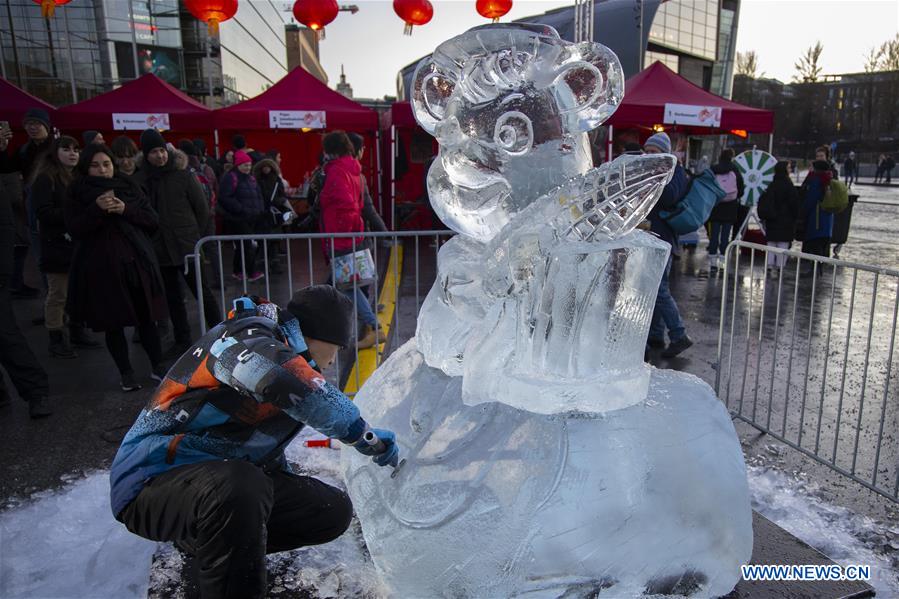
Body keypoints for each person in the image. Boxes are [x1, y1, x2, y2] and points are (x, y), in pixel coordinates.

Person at [109, 286, 399, 599]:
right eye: (338, 347)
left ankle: (206, 539)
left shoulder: (290, 359)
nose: (334, 360)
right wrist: (362, 434)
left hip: (212, 485)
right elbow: (282, 381)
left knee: (331, 510)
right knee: (241, 485)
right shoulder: (245, 340)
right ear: (319, 335)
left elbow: (261, 448)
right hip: (150, 483)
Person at [65, 144, 168, 391]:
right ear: (86, 167)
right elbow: (74, 229)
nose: (102, 170)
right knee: (113, 323)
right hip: (101, 269)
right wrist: (96, 210)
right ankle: (126, 373)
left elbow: (152, 220)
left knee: (147, 319)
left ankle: (158, 366)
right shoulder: (76, 192)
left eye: (106, 164)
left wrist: (125, 209)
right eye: (95, 165)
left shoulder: (129, 186)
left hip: (136, 263)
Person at [137, 129, 222, 352]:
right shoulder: (142, 179)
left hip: (187, 245)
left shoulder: (183, 175)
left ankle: (222, 334)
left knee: (202, 293)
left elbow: (201, 208)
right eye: (154, 152)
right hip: (160, 247)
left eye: (162, 151)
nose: (160, 156)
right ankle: (182, 338)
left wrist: (194, 235)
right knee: (173, 299)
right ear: (146, 155)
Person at [30, 135, 100, 358]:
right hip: (56, 245)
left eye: (76, 149)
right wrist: (74, 216)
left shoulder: (77, 177)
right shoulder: (46, 178)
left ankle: (77, 331)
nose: (72, 153)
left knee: (77, 292)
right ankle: (56, 338)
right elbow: (43, 212)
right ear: (55, 152)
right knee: (58, 294)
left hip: (77, 245)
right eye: (66, 149)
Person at [317, 132, 384, 349]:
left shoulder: (337, 170)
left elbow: (343, 204)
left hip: (341, 236)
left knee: (348, 286)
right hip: (351, 234)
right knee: (346, 285)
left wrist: (323, 199)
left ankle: (374, 327)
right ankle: (367, 327)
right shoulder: (353, 169)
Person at [642, 132, 693, 358]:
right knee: (655, 289)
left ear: (664, 152)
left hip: (663, 239)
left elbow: (671, 197)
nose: (648, 155)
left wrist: (656, 176)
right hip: (652, 236)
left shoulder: (674, 171)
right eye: (647, 151)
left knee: (659, 289)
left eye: (653, 152)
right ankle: (656, 334)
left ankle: (679, 334)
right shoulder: (658, 170)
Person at [0, 107, 55, 299]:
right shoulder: (24, 150)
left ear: (46, 125)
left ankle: (69, 312)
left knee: (62, 260)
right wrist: (2, 148)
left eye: (36, 123)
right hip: (33, 211)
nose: (32, 127)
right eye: (28, 124)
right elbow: (5, 168)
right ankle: (52, 310)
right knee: (41, 260)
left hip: (56, 209)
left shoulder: (57, 148)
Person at [217, 149, 265, 281]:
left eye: (249, 165)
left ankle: (237, 270)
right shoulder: (231, 177)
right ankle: (251, 272)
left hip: (250, 217)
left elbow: (258, 195)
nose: (248, 168)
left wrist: (260, 209)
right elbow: (225, 197)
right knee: (247, 245)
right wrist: (241, 209)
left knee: (242, 246)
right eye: (245, 165)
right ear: (238, 165)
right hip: (237, 218)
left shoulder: (251, 178)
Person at [757, 161, 798, 276]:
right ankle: (780, 267)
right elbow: (794, 205)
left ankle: (769, 266)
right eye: (789, 168)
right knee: (782, 244)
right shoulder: (789, 186)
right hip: (786, 221)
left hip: (772, 220)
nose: (790, 170)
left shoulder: (771, 185)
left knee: (771, 243)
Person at [706, 148, 745, 271]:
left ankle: (712, 263)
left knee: (714, 235)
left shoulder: (713, 169)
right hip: (730, 208)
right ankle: (723, 262)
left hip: (715, 207)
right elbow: (741, 189)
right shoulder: (735, 169)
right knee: (725, 236)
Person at [253, 157, 292, 274]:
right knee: (263, 241)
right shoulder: (256, 180)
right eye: (264, 167)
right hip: (263, 214)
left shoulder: (276, 181)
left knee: (274, 240)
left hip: (273, 214)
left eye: (268, 167)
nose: (266, 169)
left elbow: (282, 195)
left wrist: (277, 201)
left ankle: (273, 264)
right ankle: (263, 263)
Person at [798, 146, 836, 261]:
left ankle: (814, 267)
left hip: (818, 214)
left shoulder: (822, 175)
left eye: (821, 156)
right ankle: (817, 265)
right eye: (817, 156)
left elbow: (810, 195)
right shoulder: (815, 173)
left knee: (815, 241)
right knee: (820, 241)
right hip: (823, 215)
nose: (819, 158)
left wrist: (803, 212)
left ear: (827, 157)